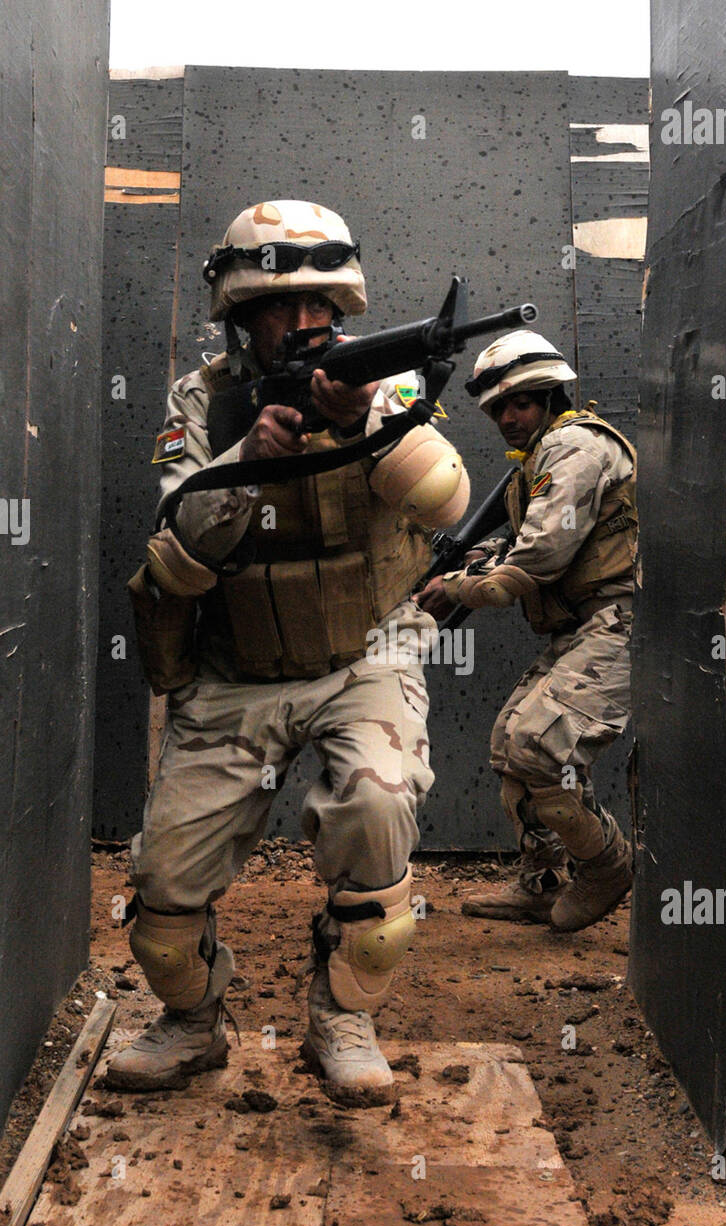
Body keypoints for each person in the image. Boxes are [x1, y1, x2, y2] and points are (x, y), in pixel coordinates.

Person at [106, 200, 469, 1102]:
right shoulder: (201, 402)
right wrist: (249, 459)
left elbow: (447, 503)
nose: (307, 325)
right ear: (239, 312)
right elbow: (178, 556)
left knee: (379, 809)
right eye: (281, 306)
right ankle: (194, 1023)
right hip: (237, 670)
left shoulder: (380, 385)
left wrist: (355, 427)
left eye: (321, 307)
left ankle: (342, 1018)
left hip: (363, 657)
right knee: (160, 900)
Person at [416, 329, 635, 932]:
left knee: (540, 747)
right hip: (585, 626)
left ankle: (608, 864)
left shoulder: (576, 448)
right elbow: (517, 539)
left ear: (550, 397)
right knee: (511, 747)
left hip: (620, 623)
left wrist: (459, 587)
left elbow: (541, 556)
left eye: (521, 402)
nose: (509, 418)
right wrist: (468, 562)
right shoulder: (538, 462)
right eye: (497, 409)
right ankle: (543, 883)